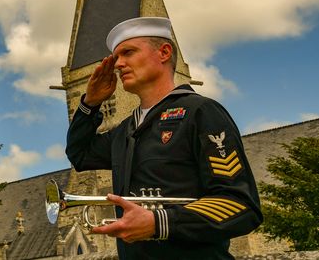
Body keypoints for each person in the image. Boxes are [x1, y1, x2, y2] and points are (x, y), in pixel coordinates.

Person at [66, 17, 262, 260]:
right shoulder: (125, 130)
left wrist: (159, 222)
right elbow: (79, 154)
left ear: (164, 52)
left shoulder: (200, 112)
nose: (118, 64)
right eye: (116, 57)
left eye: (128, 52)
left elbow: (241, 205)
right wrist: (90, 104)